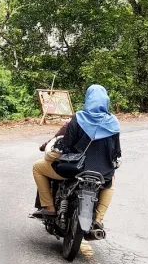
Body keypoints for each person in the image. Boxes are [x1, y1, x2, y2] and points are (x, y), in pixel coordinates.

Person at [31, 84, 121, 228]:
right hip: (101, 174)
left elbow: (66, 145)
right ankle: (98, 218)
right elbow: (116, 152)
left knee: (37, 167)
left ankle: (48, 207)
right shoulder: (114, 123)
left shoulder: (79, 118)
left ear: (88, 99)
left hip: (73, 169)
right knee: (110, 183)